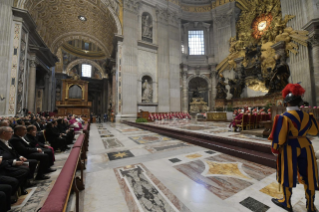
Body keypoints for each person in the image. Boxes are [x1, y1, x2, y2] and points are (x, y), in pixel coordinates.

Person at [269, 83, 319, 212]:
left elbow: (280, 137)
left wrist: (275, 149)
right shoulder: (309, 116)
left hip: (289, 147)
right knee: (309, 175)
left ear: (286, 103)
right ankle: (310, 205)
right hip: (306, 146)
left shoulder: (283, 117)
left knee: (287, 174)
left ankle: (287, 202)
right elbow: (314, 131)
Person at [0, 127, 32, 192]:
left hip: (10, 163)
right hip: (5, 167)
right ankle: (16, 190)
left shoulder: (7, 140)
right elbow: (3, 159)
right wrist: (14, 162)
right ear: (4, 133)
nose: (12, 133)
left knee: (27, 167)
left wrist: (20, 157)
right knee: (24, 170)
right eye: (11, 132)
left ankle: (22, 186)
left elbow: (15, 152)